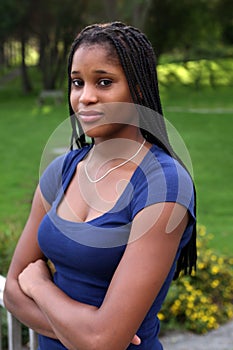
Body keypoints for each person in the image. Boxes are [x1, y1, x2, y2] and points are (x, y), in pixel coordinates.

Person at [4, 22, 196, 350]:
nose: (86, 97)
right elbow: (11, 292)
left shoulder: (163, 184)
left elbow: (102, 342)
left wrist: (38, 286)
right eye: (77, 83)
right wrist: (86, 333)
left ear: (137, 89)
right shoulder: (62, 171)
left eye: (104, 82)